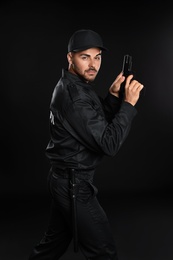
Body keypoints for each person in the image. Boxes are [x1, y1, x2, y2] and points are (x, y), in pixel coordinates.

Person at [28, 29, 144, 260]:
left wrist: (112, 98)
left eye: (97, 57)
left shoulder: (75, 86)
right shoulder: (75, 95)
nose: (93, 64)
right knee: (104, 252)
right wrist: (128, 105)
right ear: (70, 58)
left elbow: (91, 127)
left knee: (50, 247)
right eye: (85, 57)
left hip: (63, 178)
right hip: (74, 186)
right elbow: (108, 144)